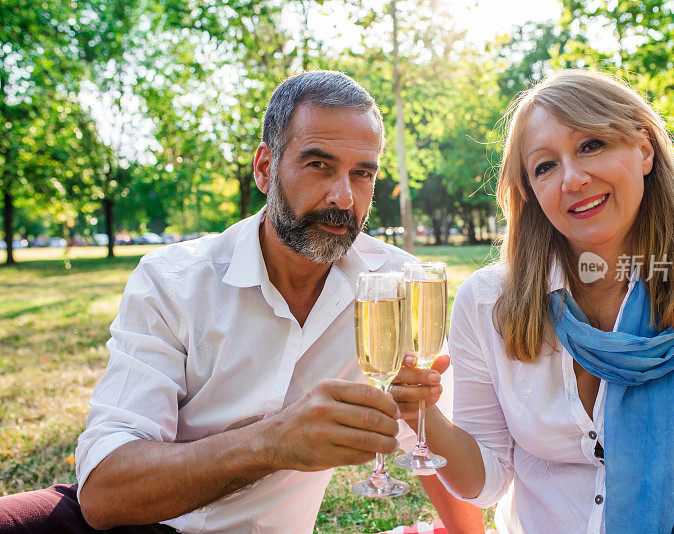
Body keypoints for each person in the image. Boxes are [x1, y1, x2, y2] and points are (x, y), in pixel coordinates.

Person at [0, 71, 484, 533]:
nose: (343, 196)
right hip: (139, 522)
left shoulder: (394, 286)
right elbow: (105, 492)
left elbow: (425, 447)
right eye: (319, 165)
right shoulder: (173, 282)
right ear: (265, 168)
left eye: (362, 174)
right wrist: (275, 442)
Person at [389, 69, 674, 533]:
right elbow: (485, 482)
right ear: (532, 193)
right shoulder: (488, 303)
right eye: (545, 166)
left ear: (644, 149)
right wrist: (422, 414)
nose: (573, 179)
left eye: (591, 145)